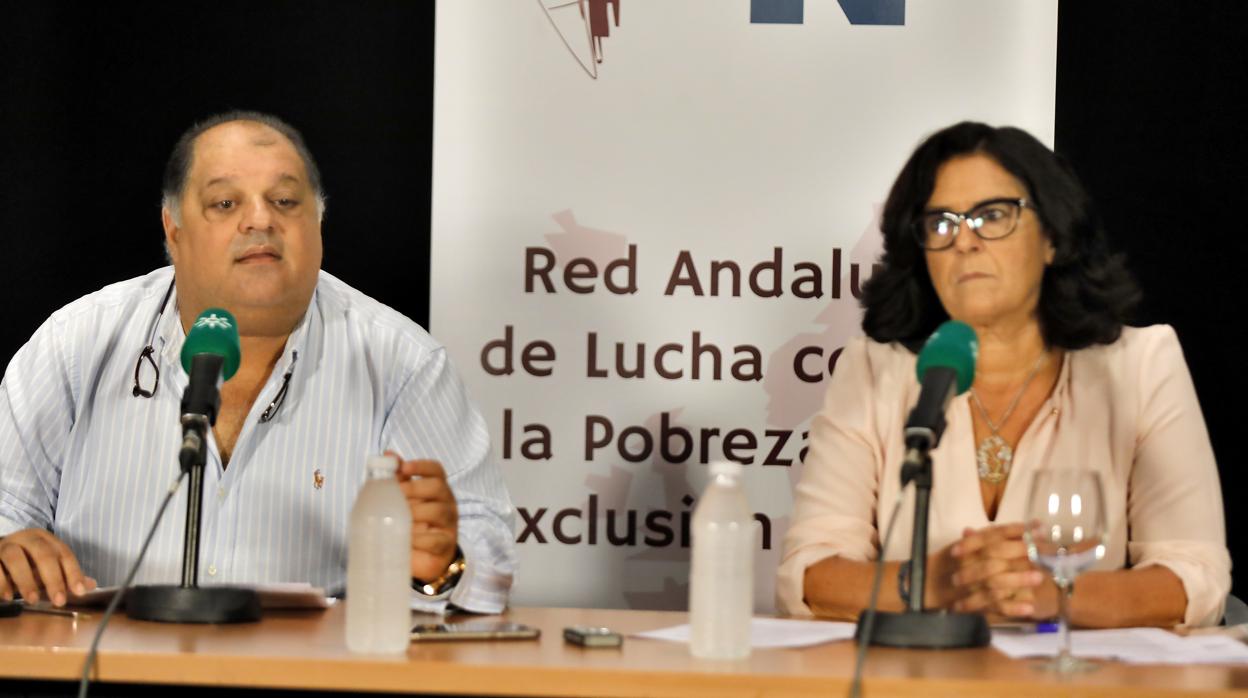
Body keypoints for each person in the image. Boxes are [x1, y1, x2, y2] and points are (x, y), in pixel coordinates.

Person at [0, 111, 515, 613]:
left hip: (316, 680)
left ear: (318, 223)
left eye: (285, 200)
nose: (261, 219)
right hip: (99, 677)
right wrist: (10, 553)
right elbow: (6, 512)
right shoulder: (76, 345)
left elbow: (486, 556)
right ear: (173, 230)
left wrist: (443, 565)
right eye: (225, 203)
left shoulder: (403, 363)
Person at [776, 121, 1230, 628]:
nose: (964, 242)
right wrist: (935, 583)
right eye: (941, 223)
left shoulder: (1141, 365)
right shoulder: (874, 368)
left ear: (1053, 237)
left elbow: (1195, 576)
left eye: (993, 216)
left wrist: (1044, 594)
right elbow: (807, 576)